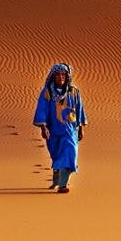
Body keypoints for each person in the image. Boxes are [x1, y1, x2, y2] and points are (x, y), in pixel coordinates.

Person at [32, 63, 87, 193]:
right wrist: (43, 127)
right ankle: (57, 176)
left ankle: (63, 184)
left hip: (70, 130)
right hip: (53, 130)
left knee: (70, 152)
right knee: (57, 154)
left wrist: (81, 127)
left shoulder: (74, 91)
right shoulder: (47, 92)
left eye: (63, 74)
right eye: (58, 74)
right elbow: (42, 109)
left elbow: (79, 109)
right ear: (53, 76)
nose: (61, 77)